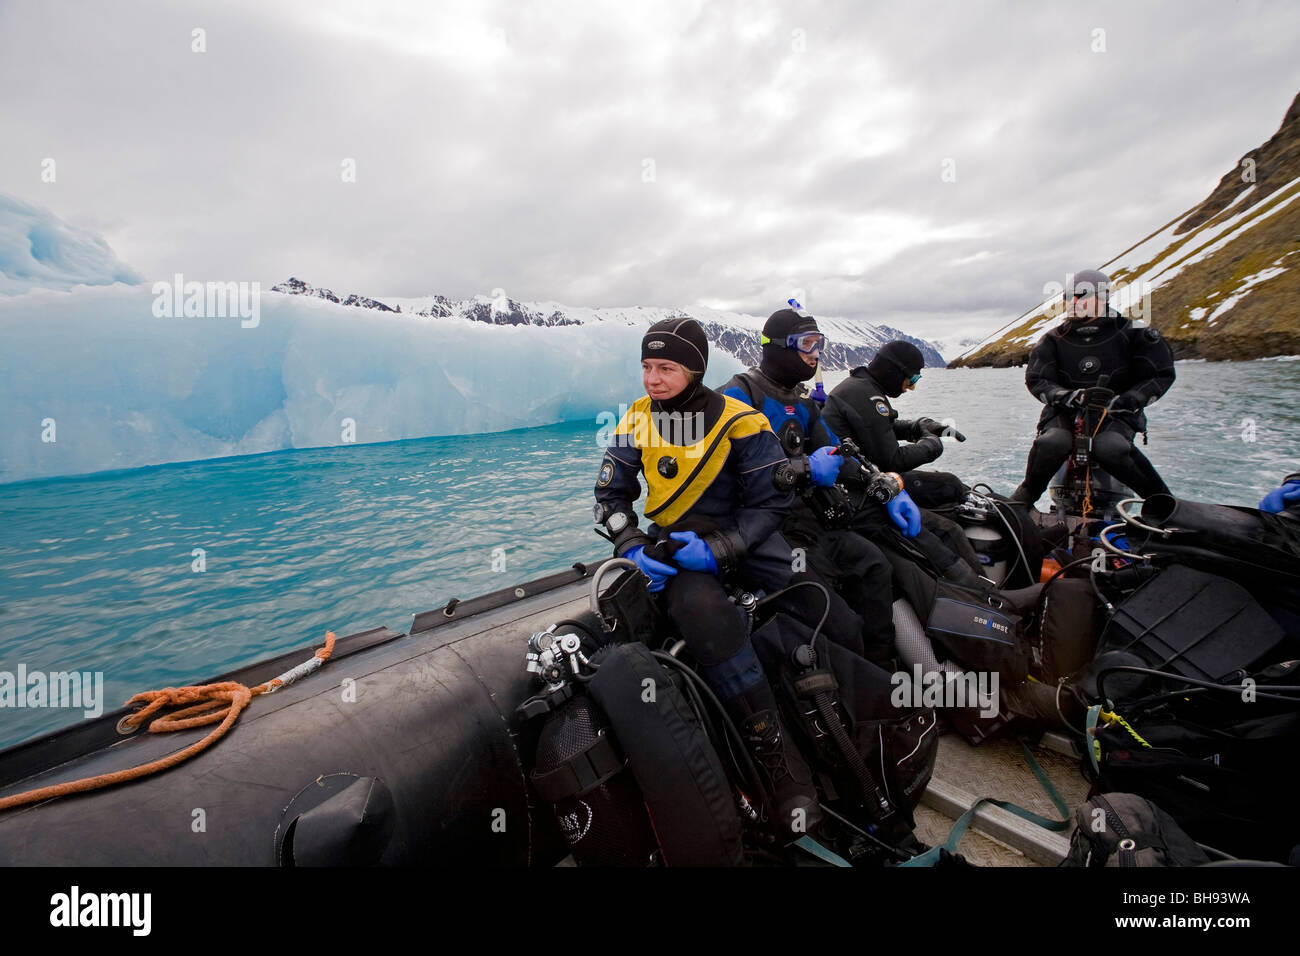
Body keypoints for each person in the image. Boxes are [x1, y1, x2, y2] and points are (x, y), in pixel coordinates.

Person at [594, 317, 865, 834]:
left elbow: (772, 501)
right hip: (678, 544)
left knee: (820, 604)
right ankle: (780, 766)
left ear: (695, 369)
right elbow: (609, 498)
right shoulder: (633, 419)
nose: (653, 379)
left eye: (666, 367)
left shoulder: (739, 421)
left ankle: (852, 720)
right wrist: (631, 545)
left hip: (745, 538)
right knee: (702, 614)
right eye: (647, 366)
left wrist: (722, 548)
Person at [720, 307, 913, 667]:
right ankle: (840, 690)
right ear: (777, 347)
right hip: (762, 531)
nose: (815, 353)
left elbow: (842, 458)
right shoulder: (739, 396)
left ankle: (884, 673)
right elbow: (728, 474)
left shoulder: (804, 405)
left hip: (808, 522)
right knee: (837, 617)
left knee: (876, 567)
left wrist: (885, 486)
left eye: (819, 343)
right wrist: (805, 469)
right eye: (807, 343)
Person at [823, 341, 984, 586]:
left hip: (868, 478)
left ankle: (983, 509)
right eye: (911, 379)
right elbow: (892, 460)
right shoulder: (864, 394)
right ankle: (984, 594)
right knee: (948, 531)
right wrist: (932, 445)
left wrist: (919, 426)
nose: (911, 388)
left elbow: (881, 426)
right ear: (894, 371)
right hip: (859, 492)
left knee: (948, 483)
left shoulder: (862, 387)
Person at [1010, 269, 1176, 506]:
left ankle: (1163, 503)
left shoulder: (1136, 333)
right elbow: (1037, 380)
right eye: (1067, 296)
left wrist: (1126, 401)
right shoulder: (1052, 339)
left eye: (1081, 295)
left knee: (1110, 447)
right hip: (1065, 411)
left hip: (1116, 413)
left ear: (1103, 297)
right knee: (1052, 442)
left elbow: (1159, 375)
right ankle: (1027, 494)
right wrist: (1069, 397)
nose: (1072, 302)